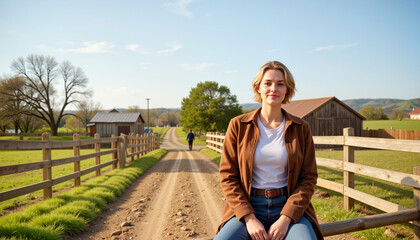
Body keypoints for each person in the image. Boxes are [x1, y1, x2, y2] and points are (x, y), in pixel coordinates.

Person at [215, 61, 323, 240]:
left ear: (287, 89)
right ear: (258, 88)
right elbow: (227, 176)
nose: (274, 88)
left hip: (288, 205)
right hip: (248, 205)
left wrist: (286, 218)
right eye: (268, 83)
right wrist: (249, 218)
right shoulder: (238, 125)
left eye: (280, 84)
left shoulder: (301, 127)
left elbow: (309, 178)